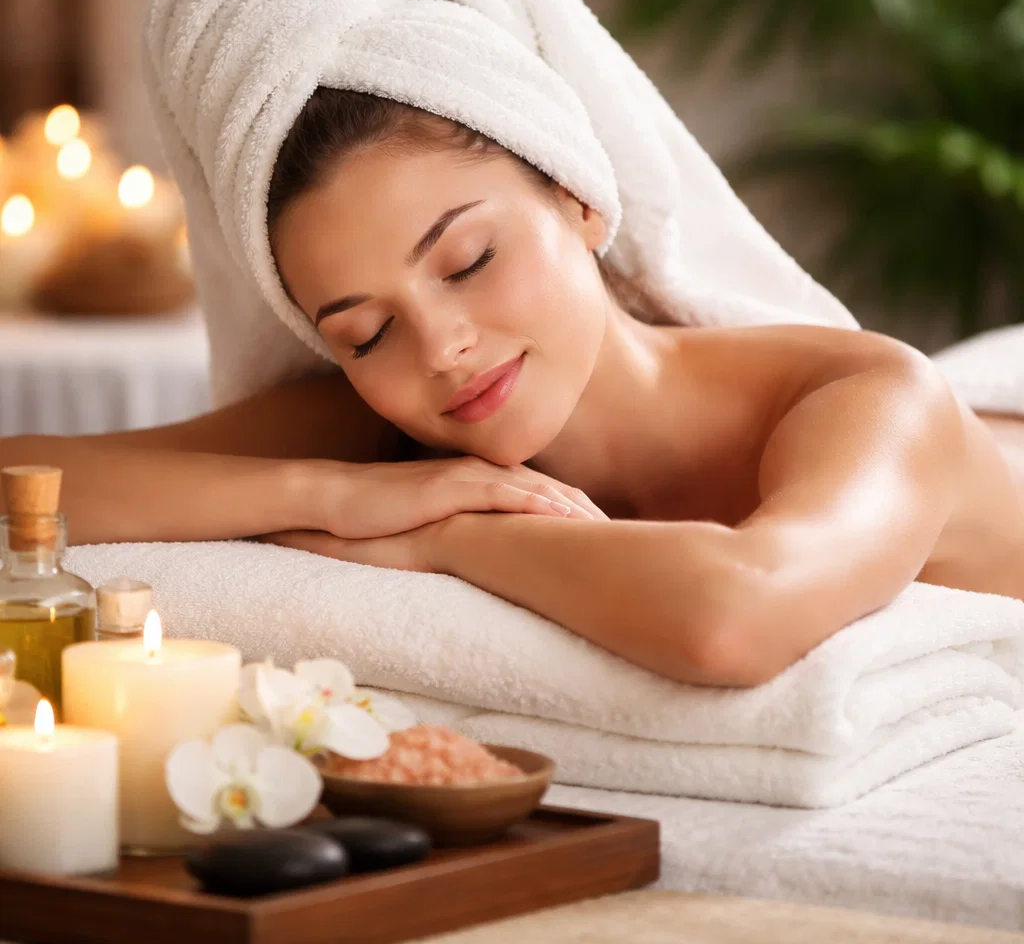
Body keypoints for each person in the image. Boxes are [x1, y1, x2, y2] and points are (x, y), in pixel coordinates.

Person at [3, 87, 1022, 690]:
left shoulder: (873, 397)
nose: (440, 347)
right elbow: (24, 485)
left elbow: (732, 619)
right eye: (365, 331)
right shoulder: (382, 427)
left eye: (469, 259)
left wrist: (443, 536)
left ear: (579, 199)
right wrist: (339, 495)